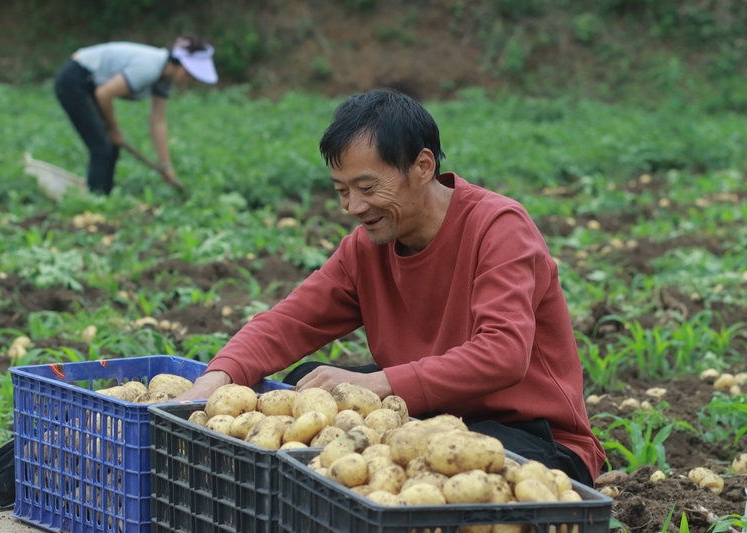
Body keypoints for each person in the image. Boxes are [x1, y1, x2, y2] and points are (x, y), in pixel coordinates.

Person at [175, 88, 605, 486]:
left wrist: (383, 383)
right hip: (429, 414)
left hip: (533, 437)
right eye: (342, 191)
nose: (354, 207)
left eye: (367, 187)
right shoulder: (366, 248)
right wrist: (218, 378)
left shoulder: (498, 228)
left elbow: (503, 353)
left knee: (438, 468)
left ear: (422, 166)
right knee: (309, 384)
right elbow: (290, 321)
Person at [53, 35, 218, 195]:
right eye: (190, 75)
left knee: (110, 147)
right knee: (102, 147)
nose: (190, 81)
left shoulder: (164, 79)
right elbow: (103, 94)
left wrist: (166, 166)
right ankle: (95, 202)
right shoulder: (148, 68)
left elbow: (158, 121)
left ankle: (103, 197)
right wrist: (113, 130)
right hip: (74, 80)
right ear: (182, 66)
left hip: (90, 84)